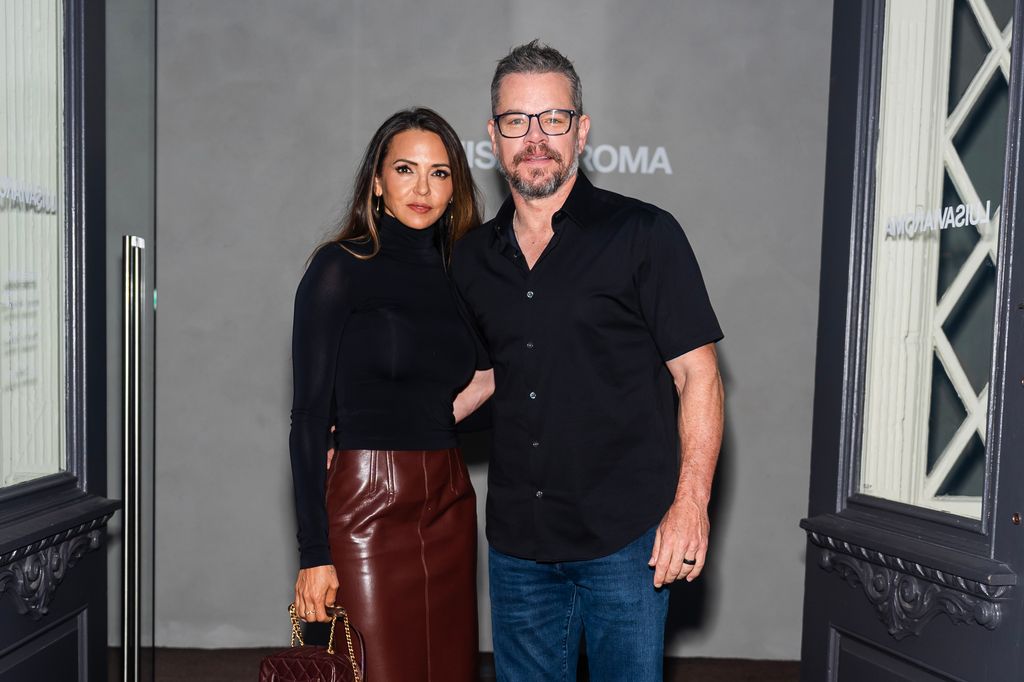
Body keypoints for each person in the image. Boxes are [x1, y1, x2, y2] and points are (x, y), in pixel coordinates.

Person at [450, 41, 725, 681]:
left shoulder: (644, 235)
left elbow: (699, 375)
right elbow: (484, 379)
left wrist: (691, 503)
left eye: (554, 119)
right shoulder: (471, 260)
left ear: (582, 130)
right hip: (519, 545)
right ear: (493, 136)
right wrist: (377, 431)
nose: (536, 137)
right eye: (517, 120)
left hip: (626, 540)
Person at [288, 107, 494, 682]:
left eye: (440, 172)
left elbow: (491, 376)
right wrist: (313, 553)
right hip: (367, 506)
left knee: (451, 670)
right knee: (374, 670)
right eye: (405, 169)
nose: (422, 188)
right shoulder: (340, 268)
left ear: (455, 187)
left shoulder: (460, 274)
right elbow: (308, 417)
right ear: (377, 183)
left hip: (449, 498)